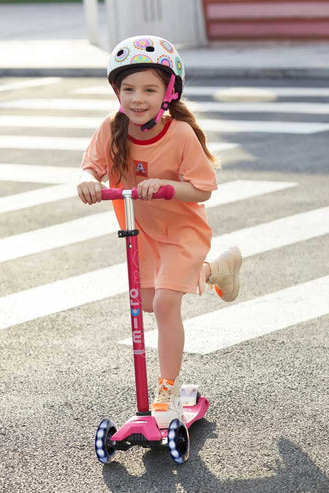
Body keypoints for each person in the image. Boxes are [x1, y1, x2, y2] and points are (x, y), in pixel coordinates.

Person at [77, 35, 242, 428]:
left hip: (183, 230)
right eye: (128, 88)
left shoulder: (180, 134)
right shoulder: (111, 128)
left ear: (168, 92)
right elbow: (91, 167)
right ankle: (213, 271)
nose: (138, 98)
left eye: (149, 89)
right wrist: (86, 180)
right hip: (143, 232)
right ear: (116, 91)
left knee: (167, 305)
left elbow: (203, 187)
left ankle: (166, 389)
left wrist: (167, 187)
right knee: (150, 304)